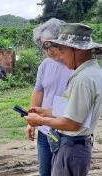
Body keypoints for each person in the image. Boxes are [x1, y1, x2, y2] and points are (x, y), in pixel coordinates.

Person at [25, 23, 102, 176]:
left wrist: (40, 121)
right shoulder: (92, 72)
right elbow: (74, 109)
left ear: (78, 50)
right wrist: (45, 112)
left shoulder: (83, 79)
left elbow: (72, 123)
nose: (58, 54)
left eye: (62, 50)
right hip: (72, 145)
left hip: (71, 147)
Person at [25, 18, 73, 176]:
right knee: (44, 172)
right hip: (46, 131)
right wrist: (32, 121)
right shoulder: (45, 65)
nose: (50, 50)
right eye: (45, 46)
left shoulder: (76, 66)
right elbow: (38, 91)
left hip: (68, 133)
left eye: (53, 44)